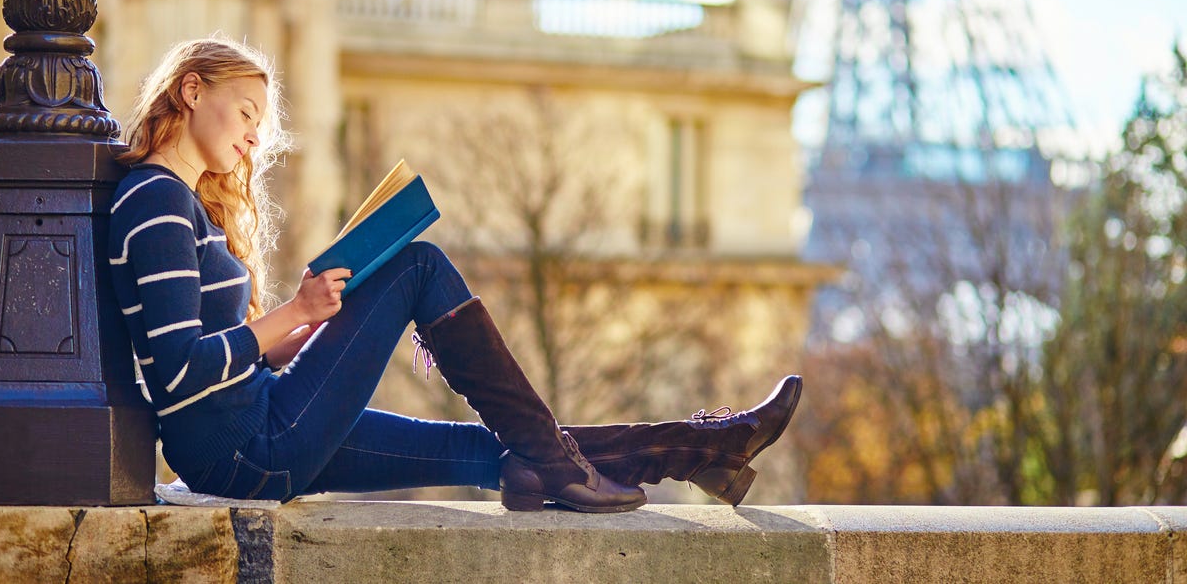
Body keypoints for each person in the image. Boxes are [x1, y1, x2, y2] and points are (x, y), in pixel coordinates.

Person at [108, 36, 803, 512]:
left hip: (254, 426)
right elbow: (178, 373)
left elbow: (214, 355)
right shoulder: (157, 200)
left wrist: (301, 333)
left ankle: (701, 448)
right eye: (249, 112)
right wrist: (296, 312)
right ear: (192, 90)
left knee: (496, 451)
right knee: (415, 262)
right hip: (244, 446)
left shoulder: (178, 204)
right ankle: (595, 461)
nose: (256, 136)